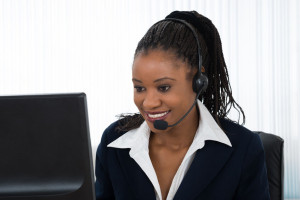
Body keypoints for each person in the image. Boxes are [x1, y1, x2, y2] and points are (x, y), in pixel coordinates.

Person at [95, 11, 270, 200]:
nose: (149, 102)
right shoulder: (113, 143)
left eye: (163, 87)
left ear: (198, 81)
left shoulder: (243, 148)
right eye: (139, 88)